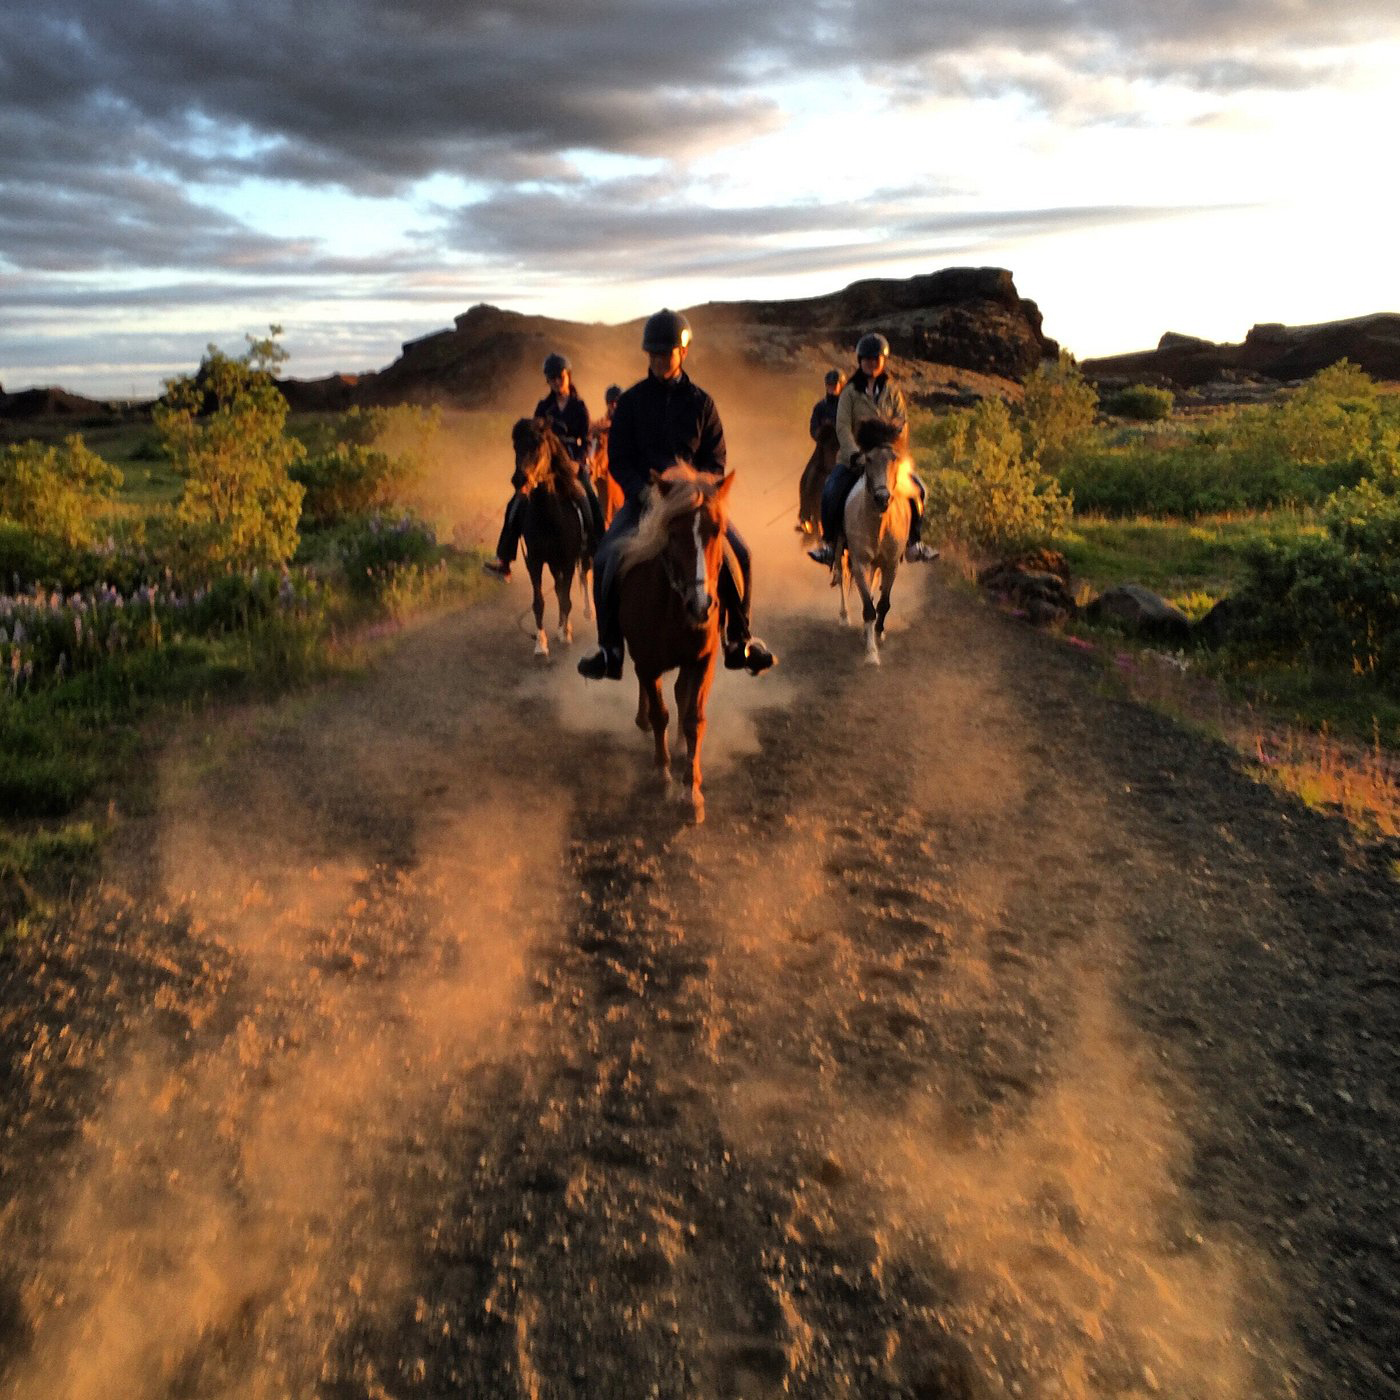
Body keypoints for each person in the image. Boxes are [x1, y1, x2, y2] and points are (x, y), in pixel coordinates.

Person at [577, 310, 777, 681]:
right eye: (652, 353)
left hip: (694, 505)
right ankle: (610, 649)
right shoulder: (632, 403)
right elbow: (620, 458)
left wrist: (695, 491)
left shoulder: (702, 403)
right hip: (646, 503)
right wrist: (644, 492)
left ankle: (739, 640)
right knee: (605, 556)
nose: (657, 359)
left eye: (665, 353)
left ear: (682, 353)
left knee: (742, 554)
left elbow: (716, 460)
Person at [808, 333, 939, 567]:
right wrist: (853, 454)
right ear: (860, 361)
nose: (871, 362)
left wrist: (897, 452)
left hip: (887, 459)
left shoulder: (893, 392)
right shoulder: (849, 393)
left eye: (875, 358)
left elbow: (902, 422)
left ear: (883, 360)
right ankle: (829, 544)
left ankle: (913, 543)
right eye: (866, 358)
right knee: (830, 489)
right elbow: (842, 426)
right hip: (857, 457)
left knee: (920, 490)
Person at [483, 352, 604, 580]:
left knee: (589, 498)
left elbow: (587, 439)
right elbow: (533, 438)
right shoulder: (543, 406)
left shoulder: (579, 407)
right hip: (546, 466)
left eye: (559, 377)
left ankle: (598, 549)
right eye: (551, 378)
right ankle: (504, 561)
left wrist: (580, 462)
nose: (556, 382)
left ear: (567, 376)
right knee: (516, 502)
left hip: (572, 464)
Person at [809, 369, 845, 440]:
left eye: (834, 384)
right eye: (829, 384)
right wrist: (821, 434)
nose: (831, 387)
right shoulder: (820, 407)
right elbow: (813, 429)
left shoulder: (849, 406)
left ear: (841, 385)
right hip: (825, 444)